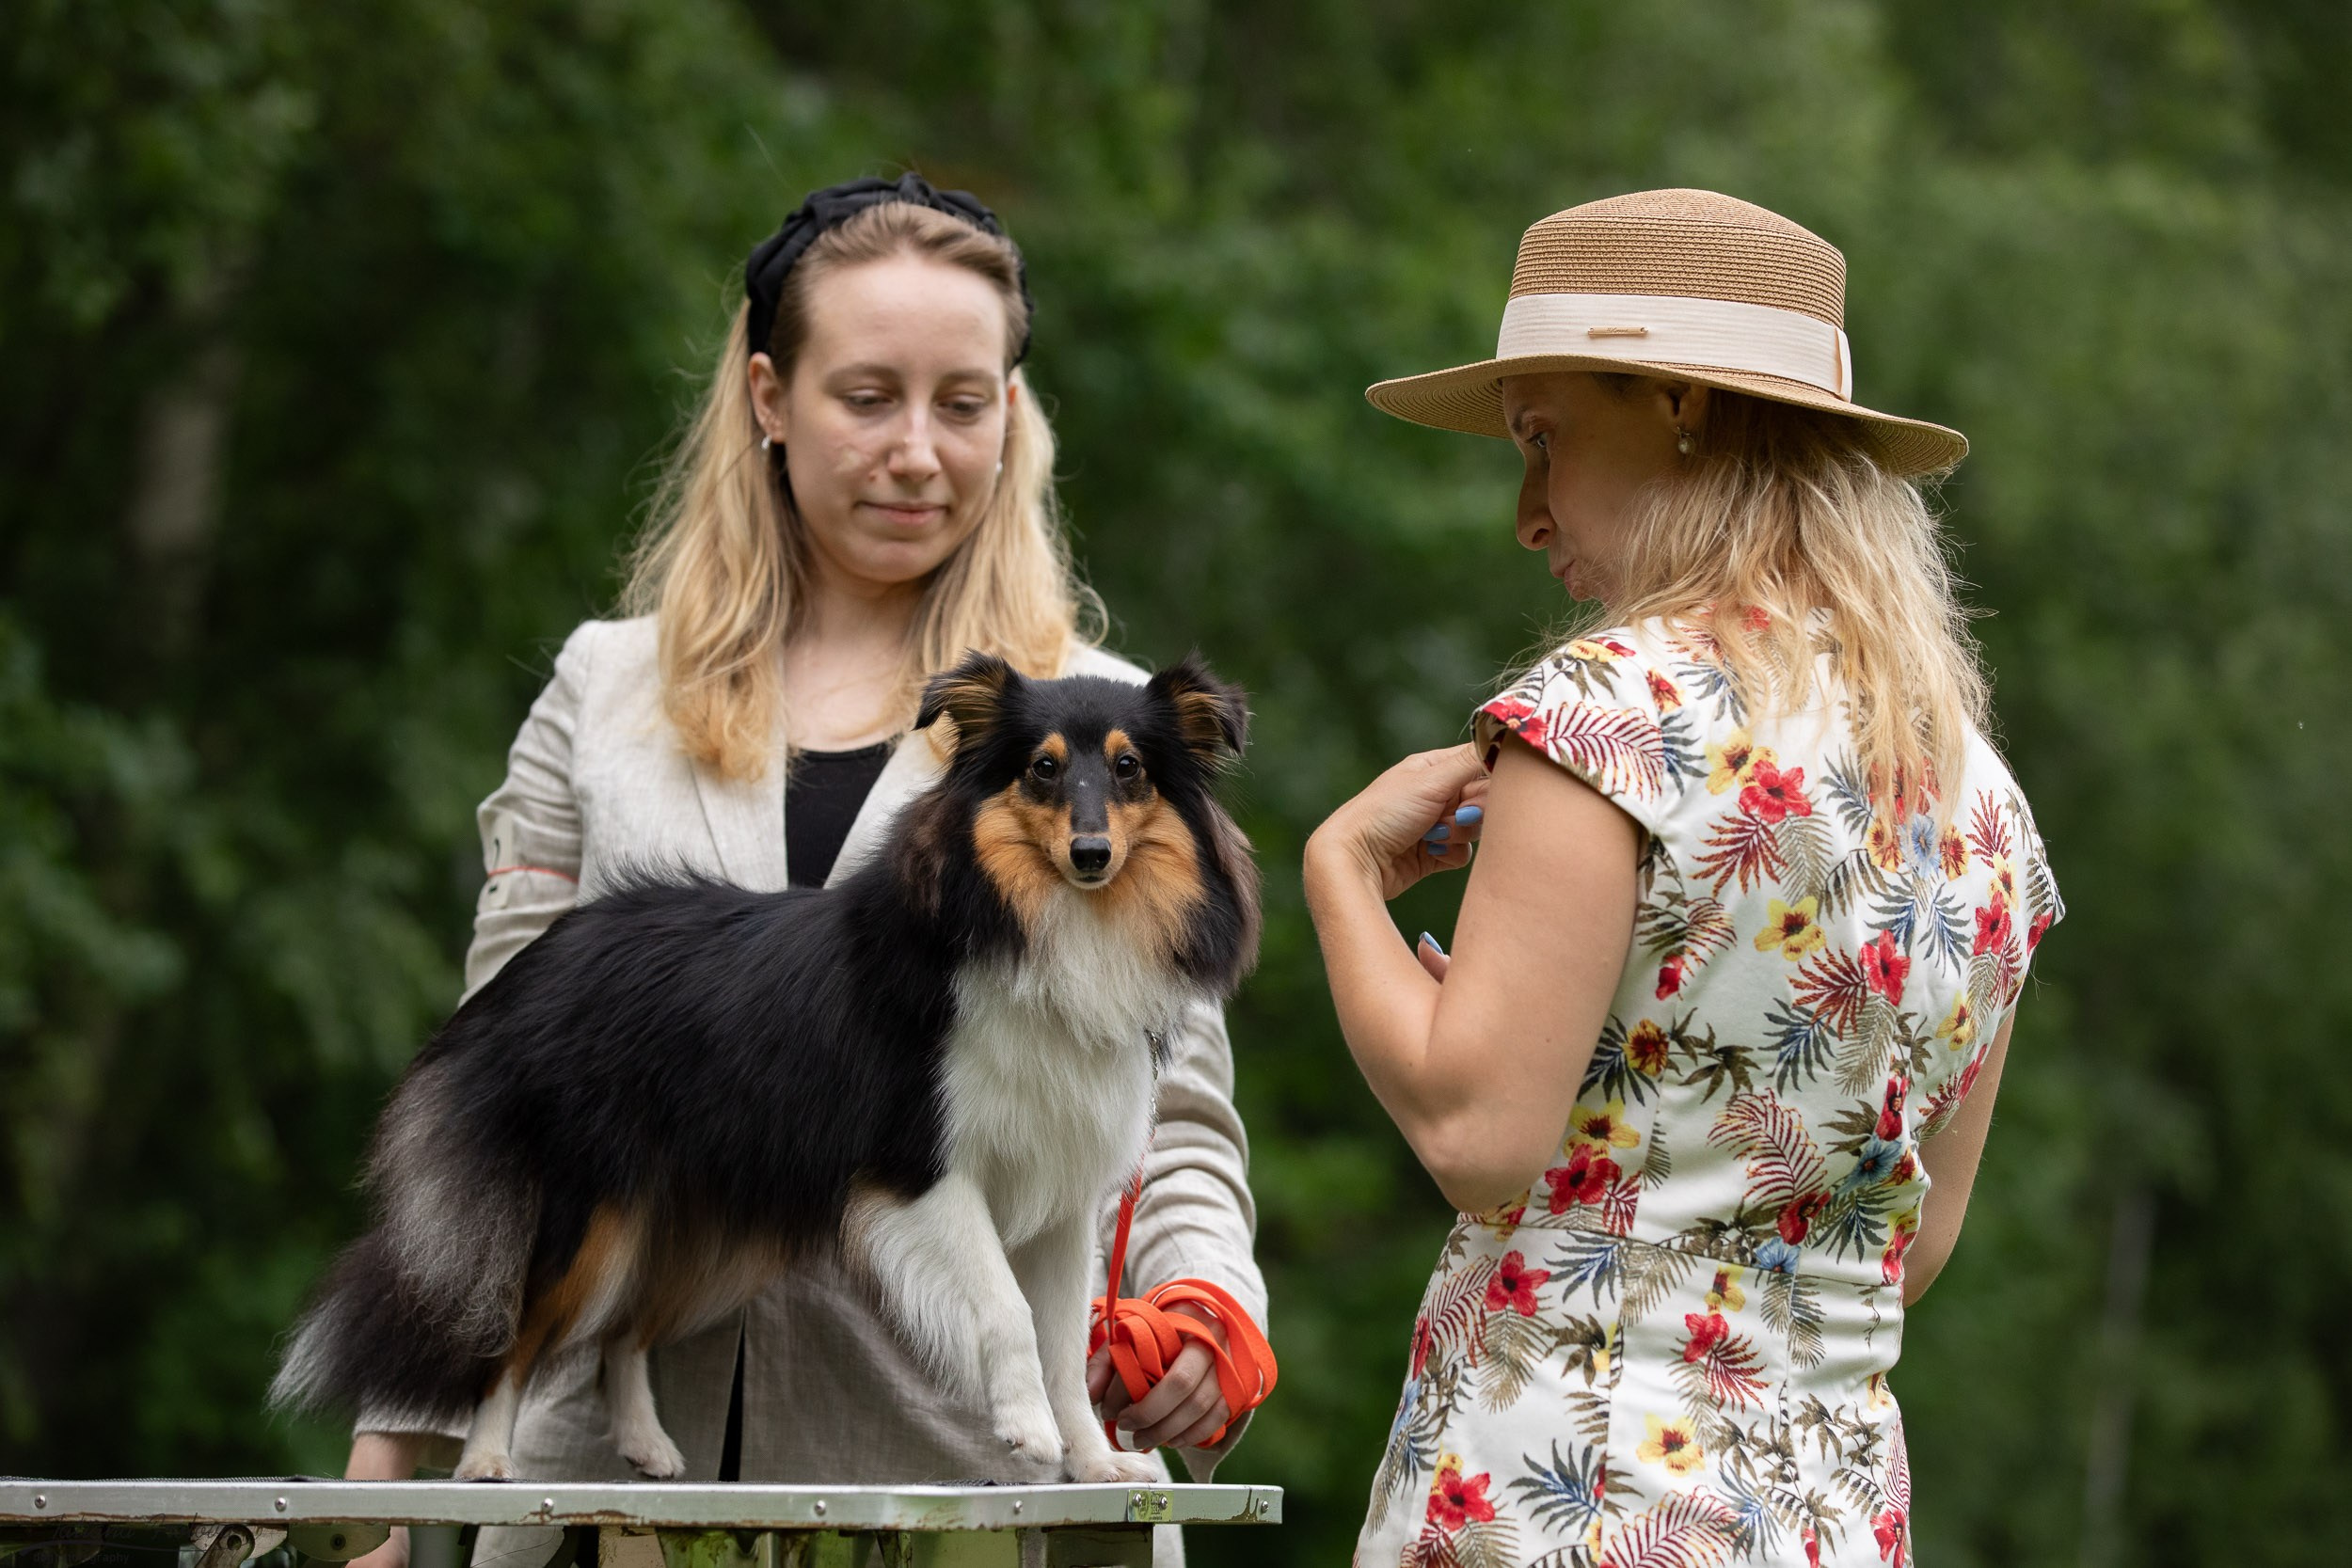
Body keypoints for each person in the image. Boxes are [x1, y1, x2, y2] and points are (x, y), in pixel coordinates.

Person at [338, 175, 1264, 1568]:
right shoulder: (604, 693)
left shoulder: (1104, 725)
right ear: (771, 397)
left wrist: (1205, 1307)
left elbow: (1175, 1116)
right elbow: (498, 1099)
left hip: (966, 1495)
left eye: (963, 402)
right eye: (867, 395)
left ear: (1013, 413)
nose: (916, 450)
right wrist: (388, 1478)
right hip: (610, 1499)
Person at [1307, 190, 2060, 1566]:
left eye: (1543, 440)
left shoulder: (1607, 712)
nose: (1528, 514)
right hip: (1829, 1517)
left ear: (1679, 406)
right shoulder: (1977, 794)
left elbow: (1477, 1139)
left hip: (1568, 1500)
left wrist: (1342, 872)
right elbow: (1920, 1240)